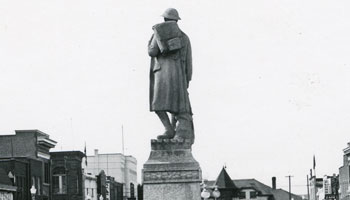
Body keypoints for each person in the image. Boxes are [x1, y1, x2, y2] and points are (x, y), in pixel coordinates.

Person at [148, 8, 194, 142]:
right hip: (179, 75)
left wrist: (151, 39)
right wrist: (187, 79)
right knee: (180, 106)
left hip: (162, 73)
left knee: (158, 104)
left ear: (164, 19)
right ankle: (180, 132)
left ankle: (168, 129)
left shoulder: (158, 33)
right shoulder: (184, 37)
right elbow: (189, 61)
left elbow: (152, 52)